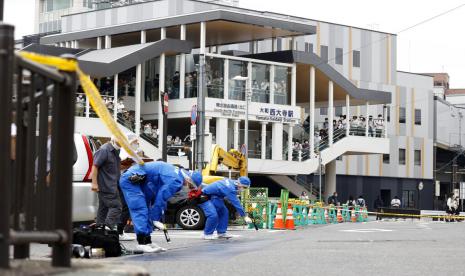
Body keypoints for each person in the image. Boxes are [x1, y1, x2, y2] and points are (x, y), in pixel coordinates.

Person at [119, 161, 202, 253]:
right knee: (140, 209)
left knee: (147, 208)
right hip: (131, 180)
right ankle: (141, 243)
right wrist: (155, 219)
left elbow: (161, 199)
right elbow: (161, 198)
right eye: (190, 186)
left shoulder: (176, 173)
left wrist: (156, 216)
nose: (188, 187)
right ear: (189, 179)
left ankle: (147, 242)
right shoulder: (175, 180)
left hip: (141, 180)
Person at [91, 136, 122, 232]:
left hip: (111, 185)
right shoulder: (104, 150)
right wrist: (94, 184)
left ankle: (99, 232)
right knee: (116, 207)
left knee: (103, 210)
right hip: (106, 185)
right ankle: (107, 229)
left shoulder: (116, 151)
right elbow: (95, 166)